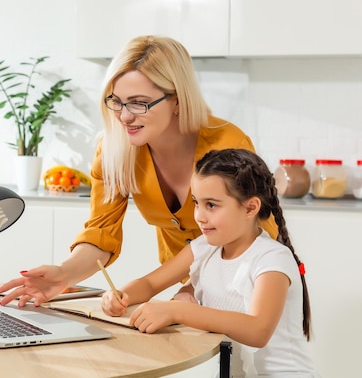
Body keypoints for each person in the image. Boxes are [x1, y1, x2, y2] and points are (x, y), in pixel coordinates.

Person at [0, 35, 277, 307]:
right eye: (116, 101)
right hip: (181, 280)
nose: (124, 116)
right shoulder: (114, 150)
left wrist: (193, 286)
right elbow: (101, 233)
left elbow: (253, 233)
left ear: (177, 99)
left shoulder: (227, 144)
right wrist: (64, 273)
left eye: (139, 102)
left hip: (245, 276)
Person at [100, 148, 319, 377]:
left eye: (211, 205)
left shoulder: (272, 258)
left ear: (251, 207)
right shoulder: (204, 249)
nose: (199, 216)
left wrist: (178, 311)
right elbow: (150, 284)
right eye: (196, 202)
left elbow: (258, 330)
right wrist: (120, 294)